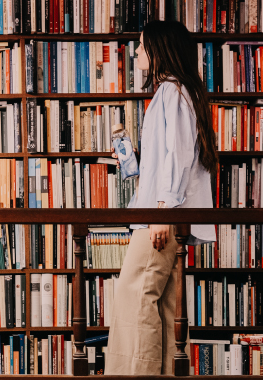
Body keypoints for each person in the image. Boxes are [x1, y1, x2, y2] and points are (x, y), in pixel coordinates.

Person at [105, 20, 218, 375]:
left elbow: (179, 155)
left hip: (162, 215)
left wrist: (162, 212)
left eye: (141, 46)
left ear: (158, 50)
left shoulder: (172, 92)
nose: (137, 53)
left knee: (134, 298)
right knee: (161, 305)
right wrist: (135, 157)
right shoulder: (176, 92)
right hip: (165, 211)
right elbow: (171, 155)